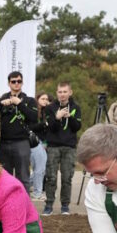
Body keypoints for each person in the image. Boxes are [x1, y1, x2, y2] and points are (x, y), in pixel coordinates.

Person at [42, 82, 82, 216]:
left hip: (69, 147)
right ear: (57, 93)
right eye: (60, 92)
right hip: (53, 146)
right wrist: (57, 118)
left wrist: (69, 117)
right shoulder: (49, 108)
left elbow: (77, 127)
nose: (62, 94)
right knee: (51, 177)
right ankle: (49, 205)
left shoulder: (76, 107)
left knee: (67, 177)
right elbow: (50, 128)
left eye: (65, 92)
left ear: (70, 92)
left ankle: (65, 205)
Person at [0, 71, 38, 192]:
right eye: (13, 81)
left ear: (22, 82)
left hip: (21, 143)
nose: (16, 84)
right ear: (9, 83)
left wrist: (19, 103)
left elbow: (34, 118)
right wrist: (0, 105)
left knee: (23, 178)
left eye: (19, 81)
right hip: (3, 143)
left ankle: (25, 207)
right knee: (4, 178)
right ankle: (7, 206)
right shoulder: (3, 98)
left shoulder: (29, 100)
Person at [29, 92, 51, 201]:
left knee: (42, 169)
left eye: (47, 99)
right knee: (39, 169)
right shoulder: (33, 112)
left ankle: (23, 184)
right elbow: (31, 127)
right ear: (37, 99)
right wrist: (44, 124)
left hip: (44, 143)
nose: (45, 101)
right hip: (34, 143)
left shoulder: (47, 112)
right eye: (43, 98)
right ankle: (37, 193)